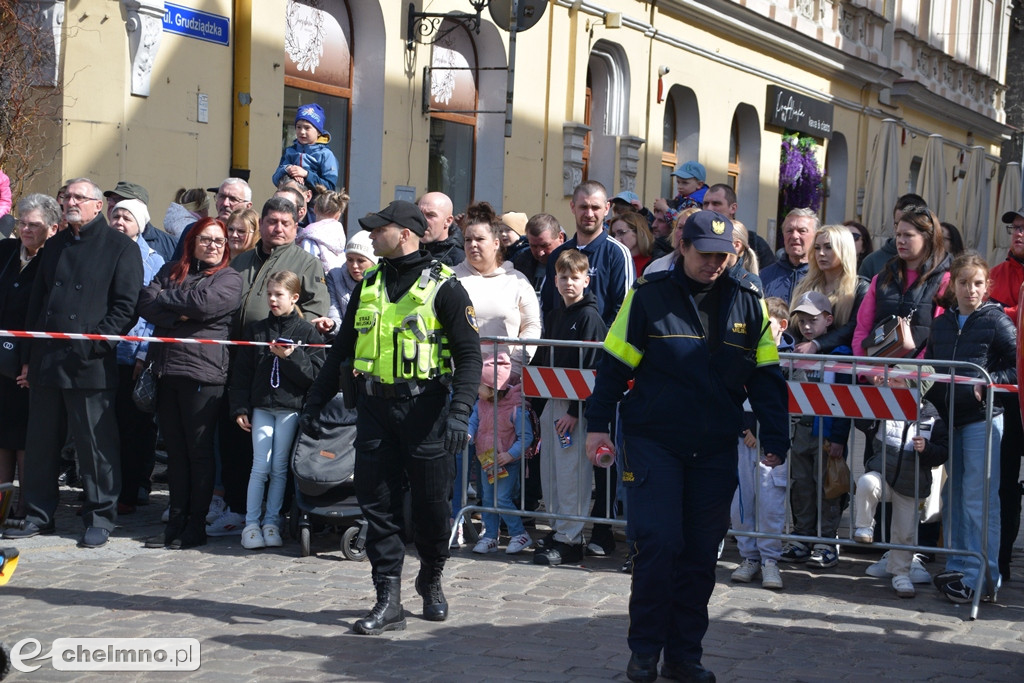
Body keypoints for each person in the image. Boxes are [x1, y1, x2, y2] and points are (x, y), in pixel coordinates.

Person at [584, 210, 789, 683]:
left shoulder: (748, 300)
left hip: (715, 446)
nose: (714, 263)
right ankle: (644, 651)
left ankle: (683, 656)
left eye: (723, 255)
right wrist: (598, 424)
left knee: (700, 554)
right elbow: (614, 364)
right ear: (683, 247)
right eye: (705, 254)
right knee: (659, 543)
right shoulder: (649, 297)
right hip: (653, 439)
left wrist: (776, 435)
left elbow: (766, 376)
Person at [300, 200, 482, 634]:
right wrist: (315, 400)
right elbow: (342, 348)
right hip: (375, 409)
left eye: (379, 230)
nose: (371, 236)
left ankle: (431, 577)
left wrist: (460, 412)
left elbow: (470, 356)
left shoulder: (446, 287)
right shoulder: (371, 284)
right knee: (377, 507)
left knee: (432, 509)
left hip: (427, 412)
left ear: (403, 234)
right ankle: (388, 600)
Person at [5, 178, 144, 548]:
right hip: (48, 359)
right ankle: (38, 513)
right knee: (40, 444)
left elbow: (125, 308)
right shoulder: (55, 245)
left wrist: (94, 345)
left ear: (98, 206)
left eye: (78, 197)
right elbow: (38, 303)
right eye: (65, 196)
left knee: (95, 445)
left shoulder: (119, 247)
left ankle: (100, 516)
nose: (70, 202)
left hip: (89, 363)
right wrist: (28, 358)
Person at [210, 197, 329, 536]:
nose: (277, 228)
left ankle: (275, 517)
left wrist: (309, 335)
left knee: (279, 461)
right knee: (237, 446)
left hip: (286, 380)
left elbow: (317, 313)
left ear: (296, 227)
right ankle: (238, 511)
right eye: (272, 221)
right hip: (242, 364)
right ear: (260, 223)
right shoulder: (241, 260)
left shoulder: (305, 263)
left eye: (285, 223)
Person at [138, 218, 242, 548]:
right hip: (166, 371)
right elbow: (145, 303)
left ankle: (195, 525)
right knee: (176, 453)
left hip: (204, 375)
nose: (213, 245)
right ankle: (176, 521)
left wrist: (169, 300)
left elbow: (208, 305)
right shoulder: (172, 269)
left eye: (219, 241)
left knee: (198, 453)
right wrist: (181, 311)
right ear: (192, 241)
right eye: (206, 239)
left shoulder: (229, 278)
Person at [926, 252, 1017, 604]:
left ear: (987, 286)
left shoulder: (996, 321)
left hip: (983, 419)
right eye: (964, 283)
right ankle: (960, 566)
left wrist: (989, 380)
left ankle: (983, 575)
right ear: (954, 285)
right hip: (952, 420)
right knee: (954, 498)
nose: (971, 290)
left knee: (979, 501)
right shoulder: (942, 323)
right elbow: (933, 368)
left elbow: (1016, 365)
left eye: (978, 283)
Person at [230, 270, 324, 550]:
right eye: (269, 294)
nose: (272, 299)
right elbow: (242, 373)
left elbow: (316, 375)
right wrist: (239, 406)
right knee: (259, 466)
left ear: (294, 297)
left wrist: (292, 356)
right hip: (262, 407)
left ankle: (272, 522)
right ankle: (251, 524)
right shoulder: (257, 330)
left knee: (280, 467)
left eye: (278, 294)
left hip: (289, 408)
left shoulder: (307, 332)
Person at [531, 249, 607, 566]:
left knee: (571, 472)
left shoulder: (590, 318)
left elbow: (592, 367)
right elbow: (546, 356)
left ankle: (572, 537)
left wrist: (576, 412)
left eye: (575, 277)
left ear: (586, 280)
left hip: (574, 411)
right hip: (553, 402)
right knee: (551, 471)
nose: (568, 283)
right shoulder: (555, 314)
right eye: (563, 277)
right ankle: (559, 527)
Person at [853, 371, 947, 598]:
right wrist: (875, 394)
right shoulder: (883, 406)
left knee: (904, 534)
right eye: (889, 379)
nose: (889, 382)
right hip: (883, 477)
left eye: (896, 380)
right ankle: (864, 526)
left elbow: (942, 452)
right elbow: (861, 420)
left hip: (911, 485)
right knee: (865, 482)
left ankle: (900, 574)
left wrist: (927, 449)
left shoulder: (933, 416)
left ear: (914, 386)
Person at [778, 291, 852, 569]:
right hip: (799, 432)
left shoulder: (841, 355)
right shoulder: (795, 352)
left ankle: (826, 539)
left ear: (828, 320)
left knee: (827, 488)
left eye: (813, 320)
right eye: (802, 321)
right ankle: (802, 536)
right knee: (802, 486)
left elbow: (845, 401)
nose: (807, 326)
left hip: (826, 434)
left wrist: (839, 438)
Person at [0, 194, 60, 521]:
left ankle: (25, 507)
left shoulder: (54, 259)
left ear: (52, 228)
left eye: (33, 224)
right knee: (1, 433)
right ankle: (2, 504)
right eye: (21, 222)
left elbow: (45, 314)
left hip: (30, 361)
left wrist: (30, 360)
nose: (25, 228)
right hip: (0, 357)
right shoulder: (6, 252)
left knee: (24, 435)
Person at [730, 296, 793, 590]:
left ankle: (770, 560)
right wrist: (746, 429)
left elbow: (778, 404)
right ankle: (748, 556)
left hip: (770, 444)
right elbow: (734, 393)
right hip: (744, 440)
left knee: (770, 502)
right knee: (743, 501)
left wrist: (769, 438)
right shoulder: (741, 353)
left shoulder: (789, 359)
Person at [109, 199, 165, 514]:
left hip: (135, 355)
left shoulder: (153, 260)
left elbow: (152, 312)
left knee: (136, 426)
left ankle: (133, 489)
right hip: (105, 352)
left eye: (126, 216)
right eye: (115, 214)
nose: (118, 221)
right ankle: (106, 491)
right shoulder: (102, 251)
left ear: (140, 224)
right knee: (107, 426)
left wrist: (144, 352)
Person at [453, 201, 541, 378]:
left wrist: (514, 367)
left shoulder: (517, 281)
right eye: (468, 240)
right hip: (458, 380)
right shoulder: (450, 279)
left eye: (479, 239)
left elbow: (532, 327)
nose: (472, 245)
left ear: (495, 243)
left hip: (504, 383)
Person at [852, 205, 951, 358]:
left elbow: (940, 337)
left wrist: (909, 375)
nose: (900, 241)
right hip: (877, 374)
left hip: (919, 375)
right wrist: (866, 369)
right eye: (898, 235)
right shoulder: (881, 278)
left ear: (927, 238)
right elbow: (862, 330)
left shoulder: (945, 280)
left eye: (908, 235)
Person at [987, 205, 1024, 579]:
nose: (1019, 233)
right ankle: (1001, 556)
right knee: (1004, 480)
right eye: (1015, 227)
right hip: (1009, 392)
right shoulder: (995, 276)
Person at [542, 180, 635, 326]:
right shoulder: (558, 254)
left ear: (606, 208)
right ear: (573, 207)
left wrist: (598, 341)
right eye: (583, 207)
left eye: (595, 207)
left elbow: (624, 309)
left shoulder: (618, 253)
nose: (589, 214)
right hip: (560, 345)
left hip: (599, 346)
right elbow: (547, 305)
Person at [468, 352, 534, 555]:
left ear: (492, 388)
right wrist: (468, 433)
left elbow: (526, 437)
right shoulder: (481, 404)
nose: (475, 389)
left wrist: (510, 455)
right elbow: (473, 421)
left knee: (502, 499)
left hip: (506, 461)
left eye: (479, 385)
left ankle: (519, 533)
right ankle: (490, 536)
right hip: (487, 459)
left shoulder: (516, 409)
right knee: (487, 499)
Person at [790, 225, 868, 355]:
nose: (821, 253)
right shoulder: (804, 285)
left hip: (841, 364)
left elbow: (854, 327)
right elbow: (793, 325)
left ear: (844, 250)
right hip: (803, 364)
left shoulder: (861, 287)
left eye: (828, 247)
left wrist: (817, 344)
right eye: (817, 248)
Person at [312, 230, 378, 338]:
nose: (354, 266)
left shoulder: (383, 279)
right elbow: (334, 314)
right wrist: (331, 325)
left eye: (361, 261)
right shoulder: (334, 276)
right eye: (350, 260)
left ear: (373, 262)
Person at [171, 178, 254, 262]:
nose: (225, 203)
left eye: (233, 199)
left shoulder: (257, 239)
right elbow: (176, 268)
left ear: (248, 206)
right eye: (222, 196)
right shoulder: (194, 230)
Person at [702, 183, 775, 268]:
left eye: (716, 203)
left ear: (733, 208)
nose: (709, 208)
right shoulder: (695, 238)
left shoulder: (755, 244)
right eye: (706, 204)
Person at [103, 181, 176, 262]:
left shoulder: (169, 245)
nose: (111, 204)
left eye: (119, 200)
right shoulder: (98, 241)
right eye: (110, 199)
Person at [858, 193, 926, 280]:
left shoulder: (937, 263)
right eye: (898, 224)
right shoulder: (872, 262)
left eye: (909, 224)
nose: (902, 228)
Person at [272, 103, 339, 190]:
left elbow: (330, 187)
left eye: (307, 128)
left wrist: (306, 174)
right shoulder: (290, 151)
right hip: (291, 200)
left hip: (314, 203)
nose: (302, 132)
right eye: (298, 127)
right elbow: (275, 180)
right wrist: (289, 169)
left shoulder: (326, 155)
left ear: (319, 132)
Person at [761, 208, 818, 303]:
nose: (795, 236)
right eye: (789, 231)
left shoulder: (822, 276)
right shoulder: (764, 276)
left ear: (816, 236)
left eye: (802, 231)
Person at [297, 186, 349, 276]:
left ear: (315, 208)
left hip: (318, 283)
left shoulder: (310, 236)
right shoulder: (339, 237)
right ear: (338, 215)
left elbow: (307, 266)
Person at [512, 213, 564, 298]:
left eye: (545, 245)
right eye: (534, 246)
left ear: (560, 238)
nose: (540, 252)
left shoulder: (574, 261)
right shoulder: (521, 261)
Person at [417, 191, 465, 266]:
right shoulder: (409, 249)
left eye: (430, 215)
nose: (422, 220)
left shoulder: (458, 260)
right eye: (419, 214)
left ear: (448, 221)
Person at [610, 211, 655, 276]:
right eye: (613, 235)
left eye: (621, 232)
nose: (615, 239)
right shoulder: (611, 262)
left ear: (638, 232)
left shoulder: (654, 264)